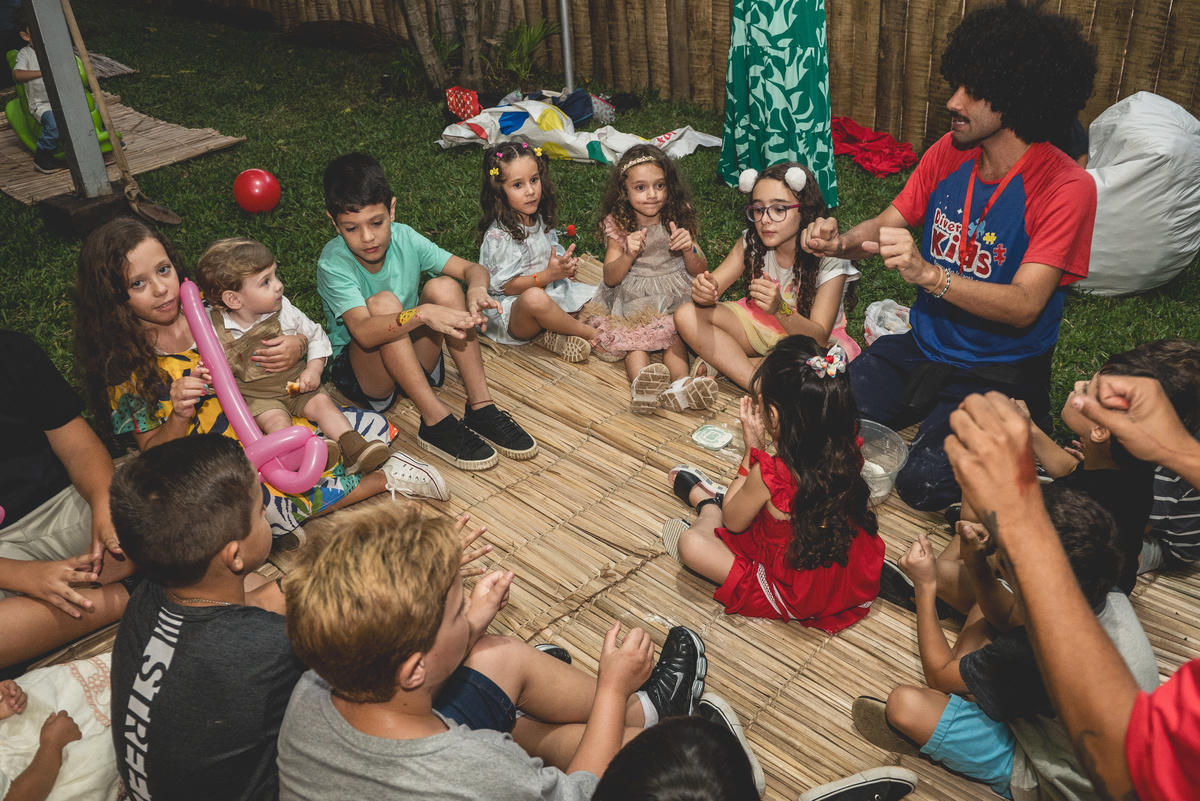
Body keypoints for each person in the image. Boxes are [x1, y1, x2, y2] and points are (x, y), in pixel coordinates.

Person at [802, 0, 1098, 511]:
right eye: (957, 84)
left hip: (1001, 370)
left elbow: (1026, 304)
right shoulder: (948, 151)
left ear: (1018, 97)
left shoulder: (1067, 186)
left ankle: (1023, 441)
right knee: (816, 408)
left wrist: (929, 275)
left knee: (923, 485)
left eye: (972, 91)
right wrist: (840, 242)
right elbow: (887, 223)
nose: (952, 101)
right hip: (924, 344)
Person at [277, 502, 710, 800]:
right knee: (651, 754)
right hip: (467, 770)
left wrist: (469, 625)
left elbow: (408, 682)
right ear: (413, 669)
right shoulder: (473, 768)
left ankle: (646, 710)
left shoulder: (312, 689)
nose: (468, 610)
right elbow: (584, 794)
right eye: (457, 611)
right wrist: (612, 689)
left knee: (499, 655)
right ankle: (632, 709)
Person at [74, 217, 445, 541]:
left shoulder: (208, 308)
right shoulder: (126, 369)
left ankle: (291, 517)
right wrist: (179, 414)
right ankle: (382, 480)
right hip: (213, 459)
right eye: (138, 284)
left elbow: (276, 324)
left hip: (267, 414)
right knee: (243, 506)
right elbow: (152, 453)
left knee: (350, 429)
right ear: (114, 298)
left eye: (163, 270)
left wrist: (298, 346)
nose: (160, 289)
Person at [945, 377, 1200, 801]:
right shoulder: (1132, 486)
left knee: (918, 689)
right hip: (1091, 593)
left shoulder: (1036, 644)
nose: (1080, 384)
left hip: (1058, 765)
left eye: (1089, 388)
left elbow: (1124, 771)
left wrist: (1007, 517)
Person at [854, 484, 1157, 800]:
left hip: (1060, 782)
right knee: (987, 607)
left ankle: (966, 713)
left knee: (905, 706)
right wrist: (977, 561)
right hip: (1104, 755)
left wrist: (925, 586)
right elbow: (1009, 614)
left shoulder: (1038, 654)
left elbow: (938, 675)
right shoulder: (1101, 591)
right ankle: (974, 687)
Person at [319, 152, 537, 471]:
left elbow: (472, 269)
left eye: (377, 223)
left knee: (445, 287)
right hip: (366, 374)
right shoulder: (334, 263)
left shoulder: (405, 237)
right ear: (334, 223)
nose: (367, 237)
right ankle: (435, 421)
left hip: (410, 356)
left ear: (391, 210)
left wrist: (476, 289)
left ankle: (481, 406)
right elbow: (364, 332)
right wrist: (421, 314)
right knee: (384, 305)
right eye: (351, 228)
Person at [661, 336, 884, 632]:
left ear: (774, 417)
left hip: (795, 589)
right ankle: (715, 500)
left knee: (692, 545)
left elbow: (733, 521)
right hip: (845, 575)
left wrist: (751, 453)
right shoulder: (849, 448)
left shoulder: (772, 474)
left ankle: (708, 505)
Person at [195, 237, 390, 475]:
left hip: (295, 385)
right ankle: (304, 456)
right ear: (234, 299)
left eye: (275, 275)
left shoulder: (284, 309)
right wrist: (206, 377)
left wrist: (313, 370)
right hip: (260, 397)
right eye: (266, 282)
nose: (279, 285)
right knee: (277, 422)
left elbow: (316, 336)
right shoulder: (214, 331)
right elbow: (215, 377)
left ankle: (354, 448)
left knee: (323, 404)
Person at [0, 330, 133, 669]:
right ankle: (129, 594)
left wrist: (104, 506)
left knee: (166, 509)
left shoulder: (11, 350)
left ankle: (40, 620)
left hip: (64, 505)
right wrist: (24, 576)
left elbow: (79, 448)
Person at [675, 163, 860, 391]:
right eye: (758, 209)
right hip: (759, 324)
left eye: (779, 209)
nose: (765, 220)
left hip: (806, 343)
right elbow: (713, 288)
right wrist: (703, 291)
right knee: (686, 315)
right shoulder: (751, 241)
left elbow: (819, 339)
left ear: (805, 210)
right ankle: (756, 382)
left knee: (824, 369)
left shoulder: (831, 257)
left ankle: (730, 364)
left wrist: (780, 308)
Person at [581, 144, 717, 414]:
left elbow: (700, 268)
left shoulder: (677, 214)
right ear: (624, 190)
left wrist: (689, 247)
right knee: (636, 341)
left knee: (674, 337)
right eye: (641, 187)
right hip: (636, 294)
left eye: (659, 185)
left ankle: (681, 384)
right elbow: (610, 277)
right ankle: (642, 385)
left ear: (669, 186)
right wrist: (627, 254)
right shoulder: (619, 223)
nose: (652, 195)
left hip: (675, 292)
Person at [477, 141, 606, 363]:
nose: (530, 191)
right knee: (534, 299)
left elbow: (549, 248)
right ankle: (588, 333)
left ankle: (557, 335)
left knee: (600, 296)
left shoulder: (536, 217)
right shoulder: (499, 237)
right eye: (518, 185)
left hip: (549, 292)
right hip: (512, 314)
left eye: (534, 180)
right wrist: (547, 276)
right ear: (499, 191)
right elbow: (504, 286)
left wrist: (563, 266)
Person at [10, 8, 63, 174]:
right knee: (54, 125)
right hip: (42, 104)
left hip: (63, 98)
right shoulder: (26, 54)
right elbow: (18, 74)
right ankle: (42, 155)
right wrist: (42, 72)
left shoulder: (53, 50)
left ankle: (102, 137)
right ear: (26, 36)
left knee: (92, 109)